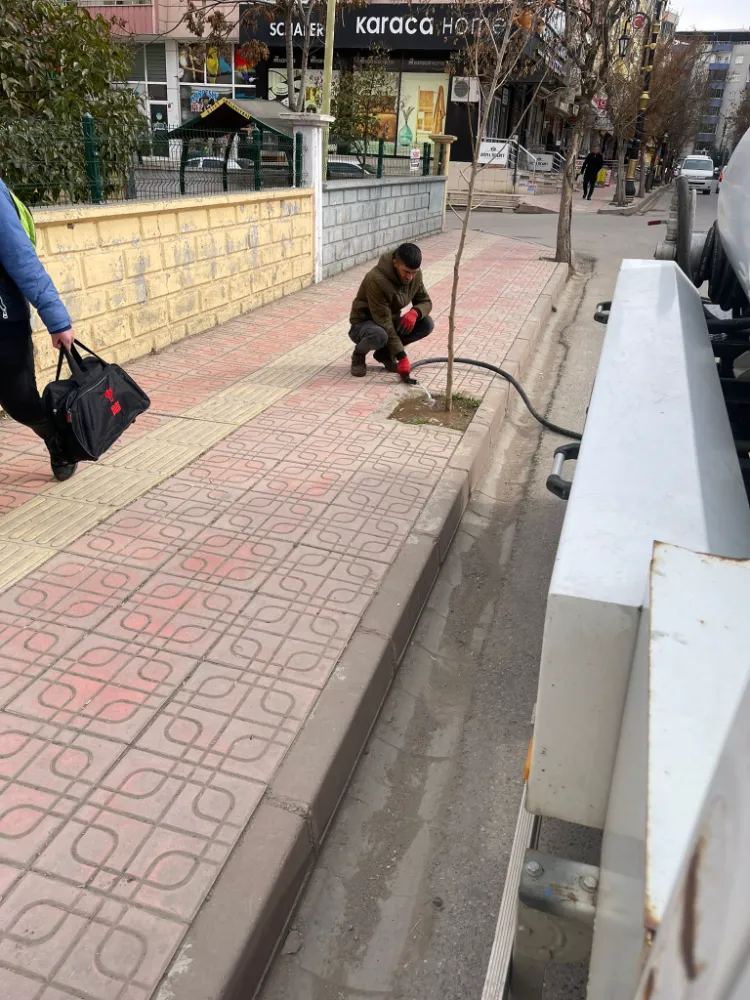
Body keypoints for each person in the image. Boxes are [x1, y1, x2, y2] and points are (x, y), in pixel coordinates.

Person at [0, 178, 77, 481]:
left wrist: (56, 320)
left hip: (4, 321)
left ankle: (56, 438)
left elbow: (22, 260)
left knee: (19, 401)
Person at [349, 243, 434, 379]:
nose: (410, 277)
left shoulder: (414, 275)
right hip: (364, 324)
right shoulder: (376, 279)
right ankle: (358, 356)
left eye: (414, 272)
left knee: (426, 323)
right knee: (380, 334)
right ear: (395, 263)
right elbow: (383, 321)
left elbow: (425, 301)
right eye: (406, 272)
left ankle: (385, 354)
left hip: (388, 321)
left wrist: (415, 312)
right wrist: (402, 357)